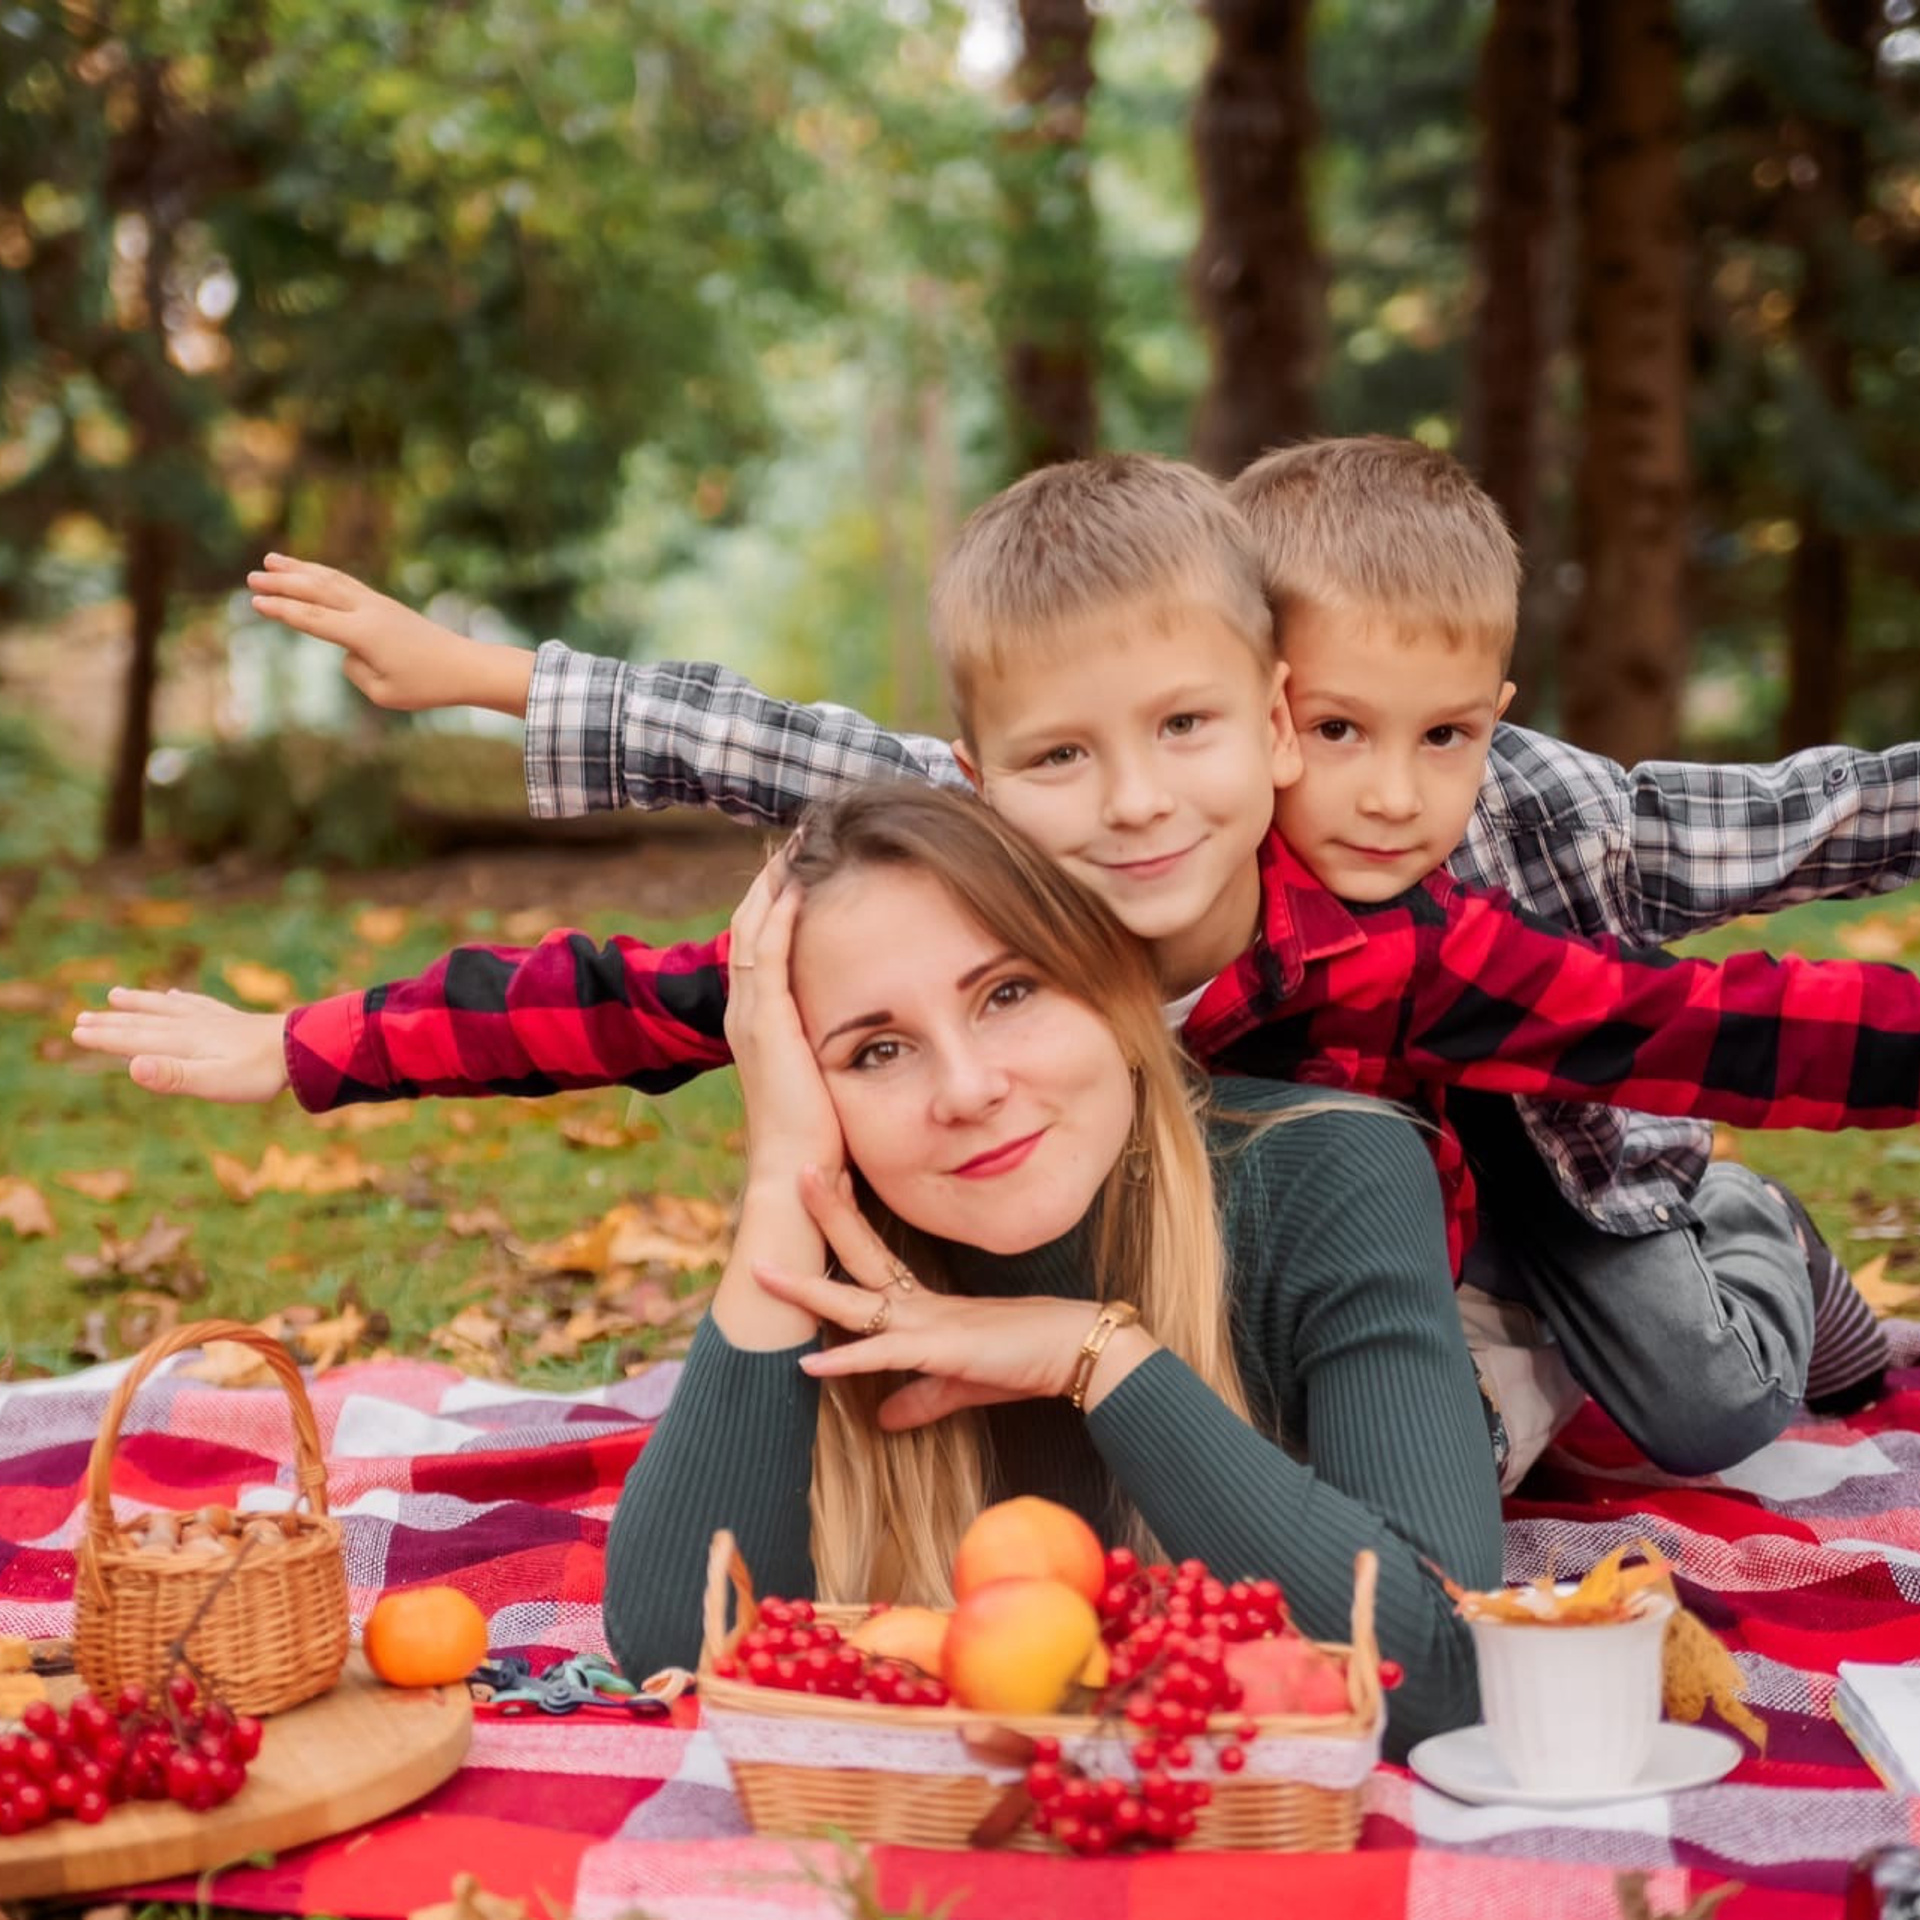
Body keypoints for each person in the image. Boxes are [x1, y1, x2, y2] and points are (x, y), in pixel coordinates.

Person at [79, 454, 1920, 1488]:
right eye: (1061, 764)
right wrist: (308, 1044)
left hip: (1415, 1228)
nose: (1133, 809)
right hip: (1172, 1252)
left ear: (1260, 719)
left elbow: (1710, 1023)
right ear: (985, 778)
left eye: (1188, 731)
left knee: (1661, 1410)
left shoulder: (1404, 934)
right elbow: (646, 985)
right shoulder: (990, 887)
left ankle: (1747, 1273)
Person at [596, 782, 1502, 1760]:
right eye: (877, 1051)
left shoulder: (1332, 1171)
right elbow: (677, 1655)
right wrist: (784, 1176)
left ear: (1111, 988)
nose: (970, 1090)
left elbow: (1442, 1677)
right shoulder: (840, 1241)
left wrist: (1095, 1356)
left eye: (1009, 992)